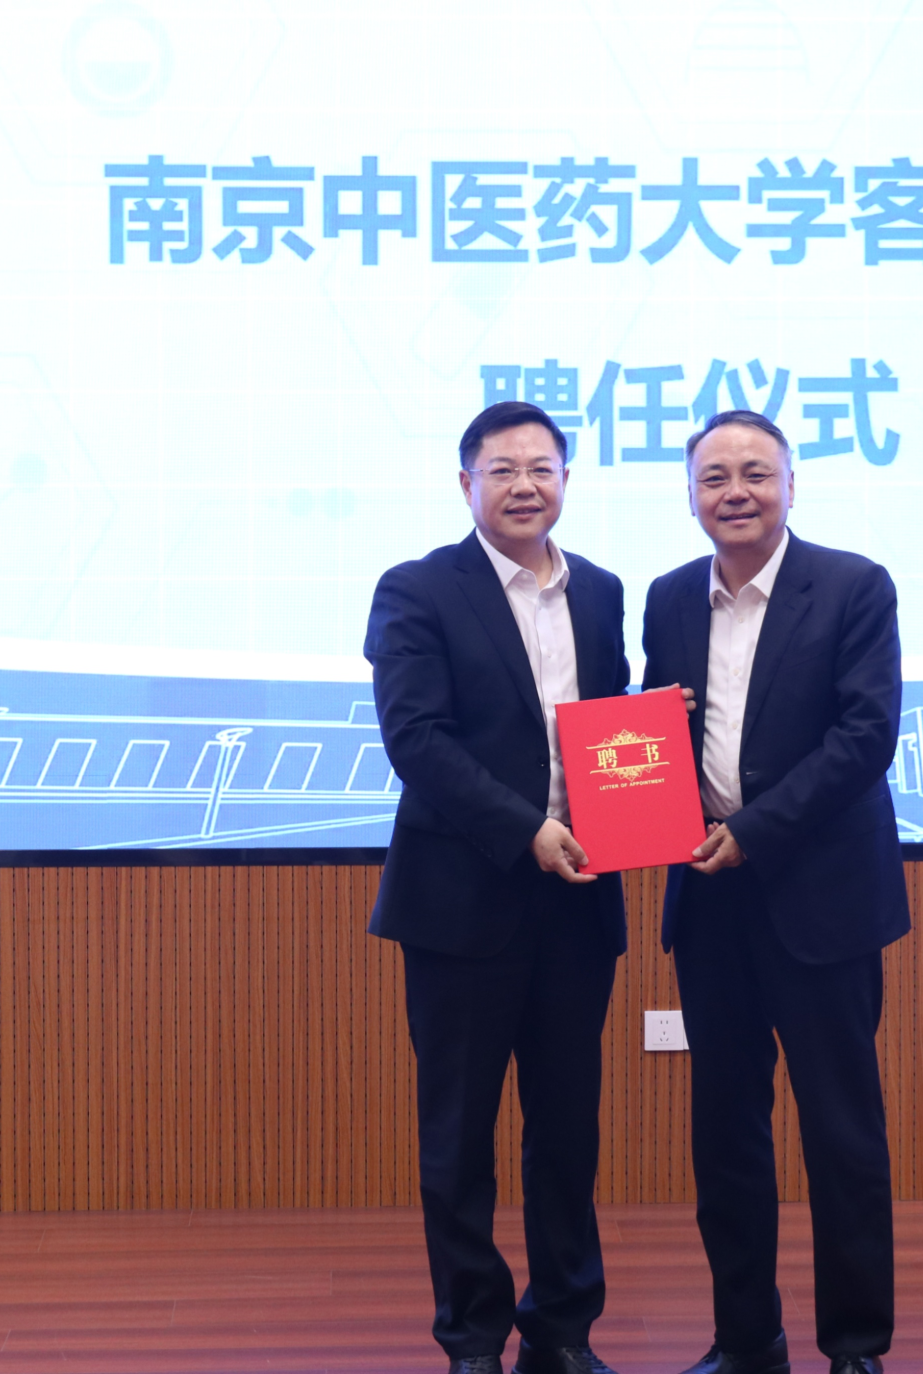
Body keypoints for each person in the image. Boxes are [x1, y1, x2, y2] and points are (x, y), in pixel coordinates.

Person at [365, 400, 633, 1374]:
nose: (525, 485)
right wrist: (526, 829)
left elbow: (609, 725)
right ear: (465, 482)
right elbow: (416, 740)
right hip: (461, 905)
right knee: (459, 1136)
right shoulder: (417, 590)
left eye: (541, 468)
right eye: (503, 469)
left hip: (578, 903)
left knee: (567, 1132)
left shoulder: (599, 591)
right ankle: (472, 1336)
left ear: (565, 479)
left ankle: (561, 1329)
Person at [640, 410, 911, 1374]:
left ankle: (855, 1346)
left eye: (756, 472)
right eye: (714, 477)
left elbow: (865, 737)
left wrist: (753, 833)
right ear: (691, 496)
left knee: (842, 1134)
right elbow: (657, 735)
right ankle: (746, 1340)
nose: (736, 492)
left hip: (822, 899)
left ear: (793, 484)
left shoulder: (853, 586)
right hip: (710, 903)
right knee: (726, 1137)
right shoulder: (670, 598)